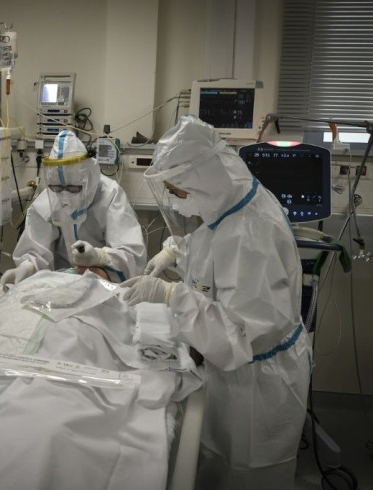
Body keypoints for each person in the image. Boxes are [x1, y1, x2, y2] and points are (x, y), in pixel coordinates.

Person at [121, 115, 311, 489]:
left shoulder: (252, 235)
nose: (178, 199)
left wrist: (171, 295)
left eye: (179, 191)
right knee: (213, 464)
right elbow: (214, 242)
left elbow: (238, 335)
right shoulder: (232, 203)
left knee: (245, 473)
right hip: (231, 377)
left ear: (201, 180)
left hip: (258, 384)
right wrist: (174, 252)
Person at [0, 129, 146, 285]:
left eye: (73, 189)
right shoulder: (46, 202)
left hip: (104, 285)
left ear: (89, 175)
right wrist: (27, 267)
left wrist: (99, 258)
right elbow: (37, 249)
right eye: (57, 188)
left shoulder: (110, 196)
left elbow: (131, 254)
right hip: (60, 287)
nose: (65, 198)